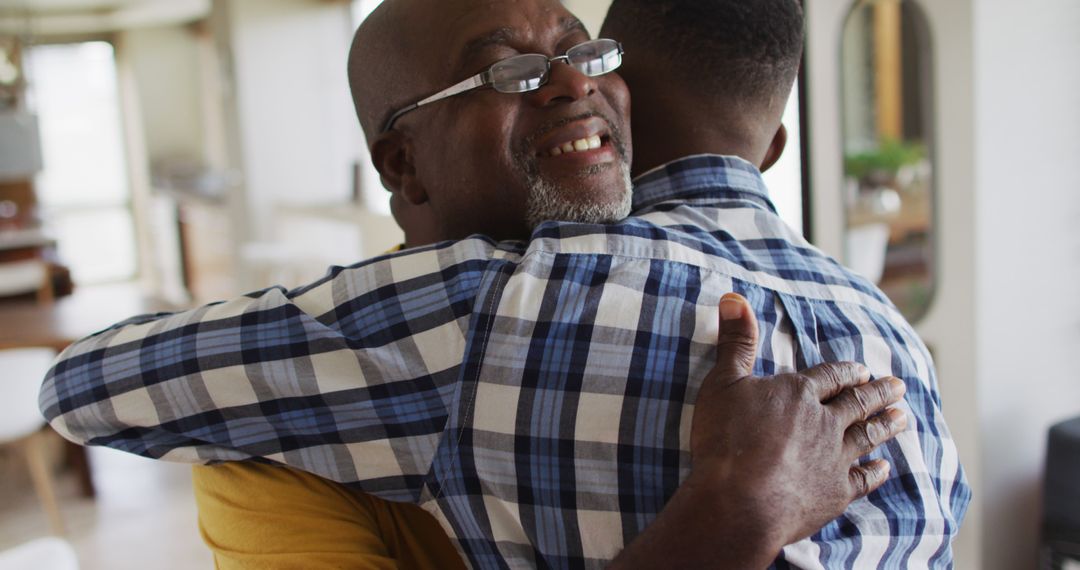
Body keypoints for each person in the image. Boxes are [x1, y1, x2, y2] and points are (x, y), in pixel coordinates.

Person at [39, 0, 969, 568]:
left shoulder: (543, 307)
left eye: (586, 51)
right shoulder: (271, 449)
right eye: (510, 69)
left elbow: (83, 387)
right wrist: (731, 515)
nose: (573, 84)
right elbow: (77, 388)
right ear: (403, 163)